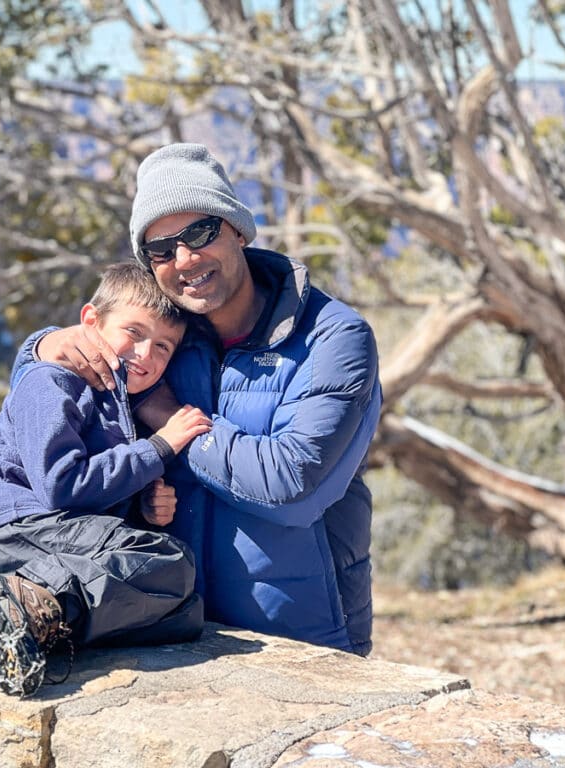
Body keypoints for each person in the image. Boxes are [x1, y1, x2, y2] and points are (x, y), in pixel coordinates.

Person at [26, 143, 383, 656]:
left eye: (199, 233)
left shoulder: (334, 338)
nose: (185, 259)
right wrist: (40, 346)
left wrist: (166, 418)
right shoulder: (165, 334)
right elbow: (72, 366)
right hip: (176, 630)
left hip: (305, 637)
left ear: (237, 228)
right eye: (162, 250)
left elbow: (292, 485)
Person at [0, 263, 211, 697]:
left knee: (184, 613)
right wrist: (159, 448)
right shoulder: (54, 379)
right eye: (133, 333)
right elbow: (62, 486)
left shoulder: (119, 403)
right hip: (10, 530)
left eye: (162, 347)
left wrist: (141, 507)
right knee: (170, 564)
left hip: (38, 551)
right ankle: (31, 607)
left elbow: (88, 506)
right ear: (90, 322)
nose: (145, 355)